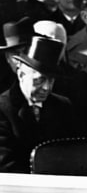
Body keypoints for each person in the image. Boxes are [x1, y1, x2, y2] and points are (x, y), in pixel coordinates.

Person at [0, 36, 76, 172]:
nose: (46, 87)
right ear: (21, 75)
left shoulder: (63, 106)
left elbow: (72, 154)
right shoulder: (3, 108)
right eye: (39, 80)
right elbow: (5, 164)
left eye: (51, 81)